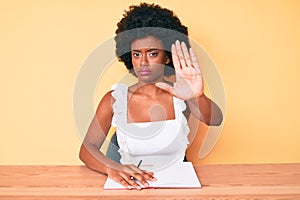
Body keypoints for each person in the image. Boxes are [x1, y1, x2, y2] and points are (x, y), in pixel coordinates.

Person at [79, 3, 223, 190]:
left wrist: (197, 95)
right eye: (136, 54)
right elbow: (87, 149)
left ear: (167, 57)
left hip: (177, 186)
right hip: (130, 187)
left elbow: (215, 120)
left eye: (152, 53)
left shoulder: (180, 93)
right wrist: (113, 168)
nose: (143, 62)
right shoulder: (115, 99)